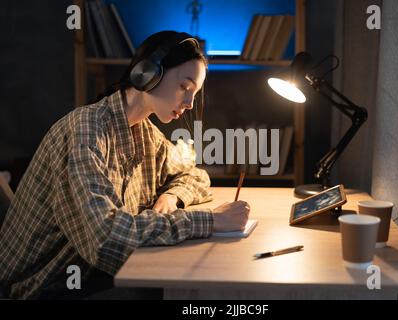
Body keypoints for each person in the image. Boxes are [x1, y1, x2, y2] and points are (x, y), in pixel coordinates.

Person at [0, 31, 250, 299]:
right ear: (148, 73)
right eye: (184, 87)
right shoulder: (85, 131)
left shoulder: (145, 133)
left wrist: (172, 196)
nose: (189, 104)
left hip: (92, 274)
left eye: (195, 93)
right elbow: (107, 238)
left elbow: (194, 175)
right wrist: (210, 221)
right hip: (43, 287)